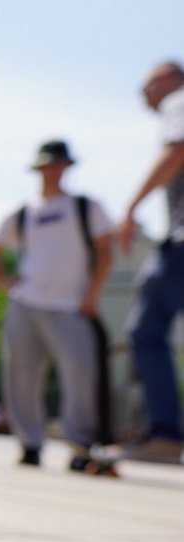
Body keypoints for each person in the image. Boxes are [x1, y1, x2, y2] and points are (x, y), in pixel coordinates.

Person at [0, 141, 114, 471]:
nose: (53, 170)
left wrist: (91, 296)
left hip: (71, 305)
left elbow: (105, 252)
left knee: (81, 373)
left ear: (67, 167)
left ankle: (81, 444)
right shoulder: (24, 211)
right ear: (38, 169)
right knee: (20, 376)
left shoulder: (85, 207)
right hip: (25, 304)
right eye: (47, 165)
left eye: (59, 164)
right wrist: (6, 284)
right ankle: (29, 444)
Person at [116, 61, 184, 464]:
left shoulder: (179, 100)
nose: (143, 96)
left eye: (146, 86)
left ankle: (164, 433)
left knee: (145, 330)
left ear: (166, 80)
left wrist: (131, 207)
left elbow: (176, 150)